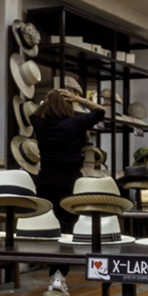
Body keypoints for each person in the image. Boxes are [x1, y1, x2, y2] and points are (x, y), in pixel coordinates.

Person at [29, 87, 108, 232]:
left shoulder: (41, 124)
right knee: (69, 222)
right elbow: (100, 111)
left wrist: (45, 103)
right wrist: (78, 99)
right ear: (69, 104)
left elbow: (32, 116)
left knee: (47, 221)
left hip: (46, 179)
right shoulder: (76, 122)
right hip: (69, 180)